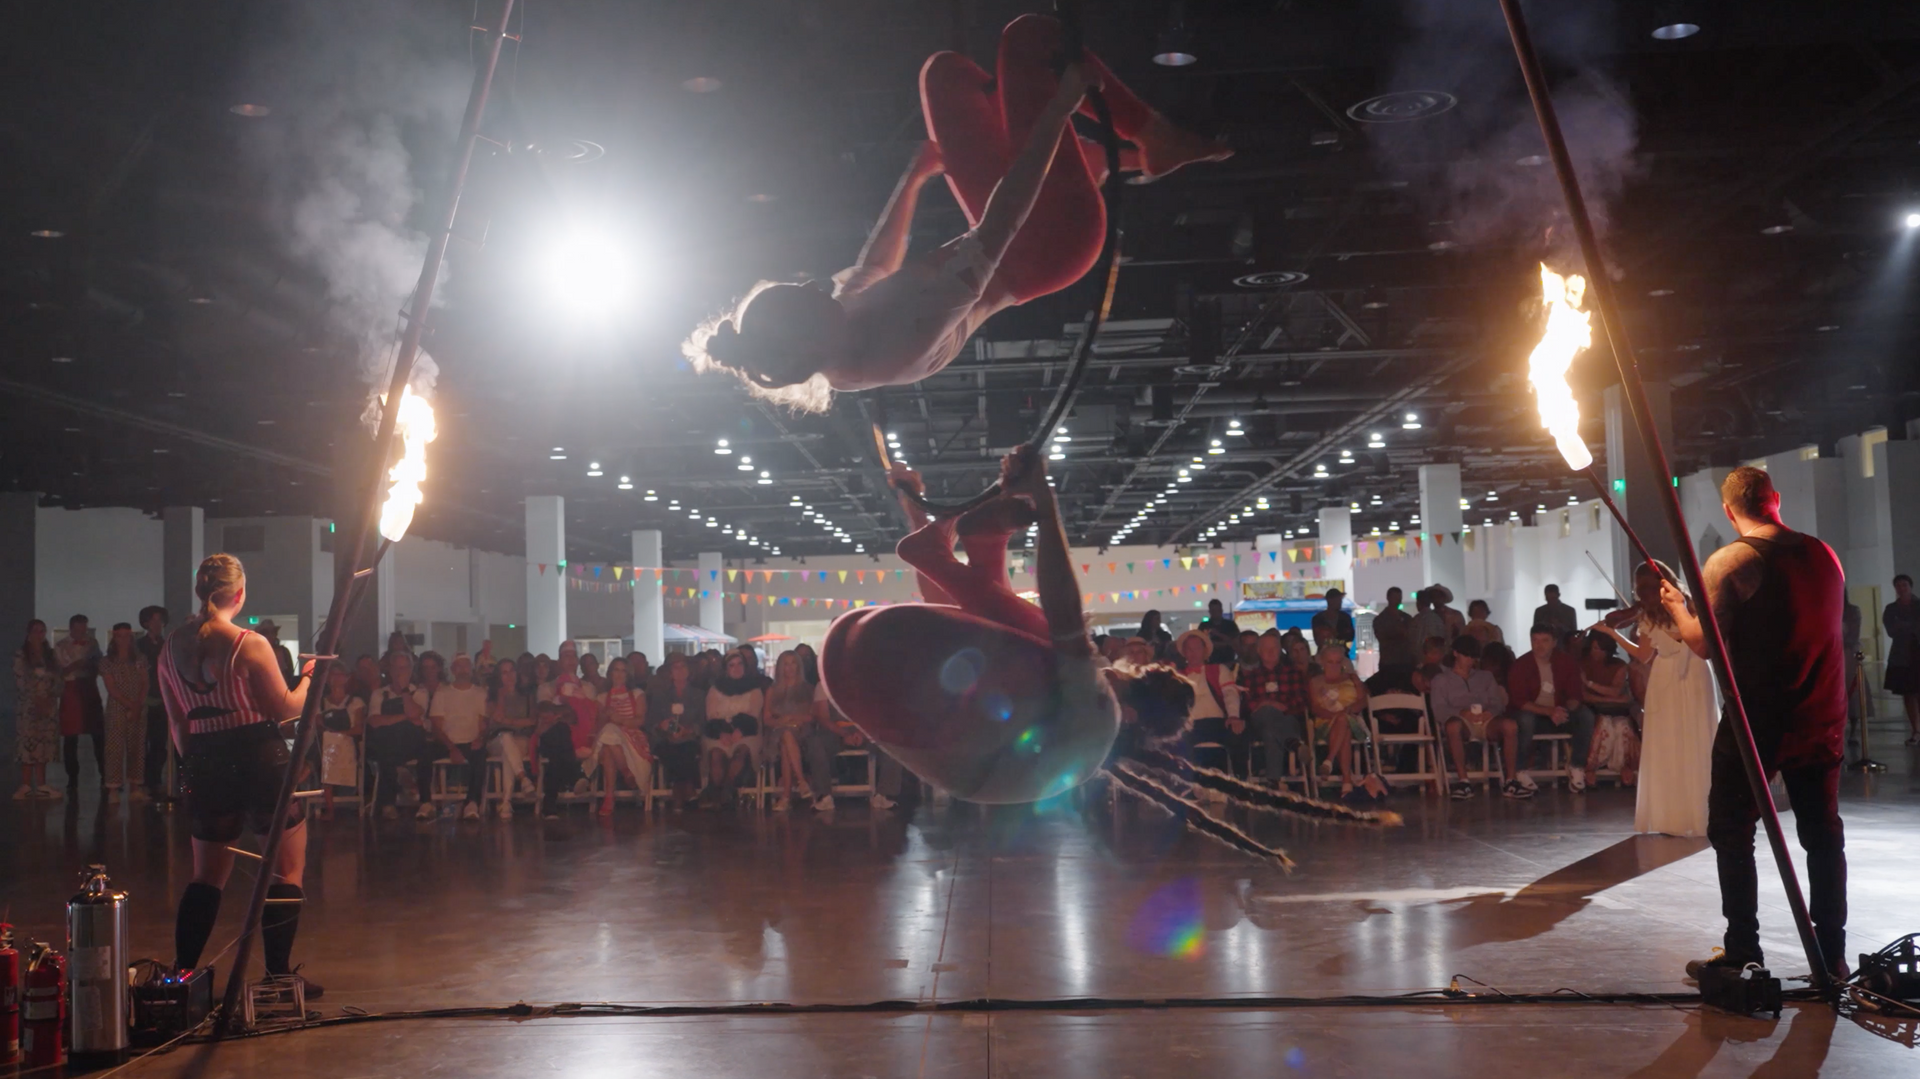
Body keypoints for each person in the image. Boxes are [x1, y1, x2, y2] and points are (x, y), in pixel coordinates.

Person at [684, 15, 1230, 410]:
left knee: (944, 74)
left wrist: (914, 178)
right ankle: (1152, 139)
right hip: (1047, 246)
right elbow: (1003, 222)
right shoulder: (899, 346)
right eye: (804, 298)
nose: (812, 285)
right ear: (808, 343)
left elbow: (872, 266)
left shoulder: (827, 331)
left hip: (1005, 229)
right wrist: (1060, 106)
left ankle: (1097, 162)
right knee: (1030, 42)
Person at [822, 448, 1177, 805]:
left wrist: (1045, 501)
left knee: (1067, 647)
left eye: (1124, 679)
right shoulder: (1074, 735)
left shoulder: (1100, 720)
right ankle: (979, 546)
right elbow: (949, 615)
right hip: (855, 671)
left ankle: (977, 547)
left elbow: (1063, 611)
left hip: (878, 673)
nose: (1111, 672)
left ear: (1130, 715)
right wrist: (917, 513)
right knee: (1061, 654)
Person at [1661, 467, 1848, 980]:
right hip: (1822, 714)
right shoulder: (1824, 554)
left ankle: (1743, 947)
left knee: (1732, 828)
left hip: (1758, 718)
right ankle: (1831, 954)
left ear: (1728, 511)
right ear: (1776, 499)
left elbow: (1703, 644)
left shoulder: (1735, 559)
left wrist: (1677, 607)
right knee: (1823, 835)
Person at [159, 554, 319, 996]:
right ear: (240, 593)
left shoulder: (171, 645)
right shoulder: (248, 643)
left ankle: (182, 976)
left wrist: (197, 763)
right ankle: (279, 976)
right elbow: (282, 708)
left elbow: (177, 722)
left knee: (206, 875)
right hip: (258, 757)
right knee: (287, 868)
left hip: (206, 760)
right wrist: (308, 679)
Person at [1592, 561, 1717, 835]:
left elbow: (1644, 655)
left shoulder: (1649, 615)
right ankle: (1703, 814)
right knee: (1697, 740)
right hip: (1697, 672)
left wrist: (1612, 633)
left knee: (1668, 743)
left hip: (1667, 676)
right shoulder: (1690, 604)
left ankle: (1672, 817)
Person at [1431, 637, 1522, 799]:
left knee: (1510, 725)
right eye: (1466, 656)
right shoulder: (1441, 680)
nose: (1470, 661)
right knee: (1452, 727)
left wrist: (1490, 712)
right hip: (1461, 722)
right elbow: (1439, 710)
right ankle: (1463, 781)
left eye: (1473, 657)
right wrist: (1462, 712)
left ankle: (1511, 780)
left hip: (1486, 720)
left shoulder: (1485, 677)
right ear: (1456, 654)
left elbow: (1497, 703)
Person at [1508, 624, 1595, 791]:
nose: (1539, 645)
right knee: (1524, 719)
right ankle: (1520, 769)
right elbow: (1519, 700)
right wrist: (1549, 711)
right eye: (1535, 640)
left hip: (1559, 712)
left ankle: (1577, 766)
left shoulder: (1566, 662)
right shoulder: (1521, 665)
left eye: (1545, 641)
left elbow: (1575, 694)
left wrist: (1565, 709)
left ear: (1554, 642)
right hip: (1534, 714)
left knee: (1585, 716)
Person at [365, 650, 436, 821]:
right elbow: (374, 721)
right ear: (390, 670)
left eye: (404, 668)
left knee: (425, 749)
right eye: (396, 668)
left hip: (413, 744)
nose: (400, 672)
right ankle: (391, 799)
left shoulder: (419, 692)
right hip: (387, 744)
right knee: (386, 743)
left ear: (411, 670)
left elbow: (416, 712)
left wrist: (404, 691)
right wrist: (405, 718)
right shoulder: (379, 693)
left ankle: (419, 800)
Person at [1240, 632, 1309, 786]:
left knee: (1269, 730)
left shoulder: (1293, 673)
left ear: (1280, 649)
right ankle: (1293, 744)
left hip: (1288, 718)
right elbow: (1247, 704)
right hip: (1259, 721)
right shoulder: (1250, 677)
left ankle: (1274, 781)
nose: (1271, 652)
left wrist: (1278, 706)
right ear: (1259, 651)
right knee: (1266, 713)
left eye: (1275, 648)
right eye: (1266, 648)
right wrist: (1270, 704)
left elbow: (1300, 701)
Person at [428, 653, 491, 821]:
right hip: (446, 742)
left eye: (466, 666)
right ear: (453, 670)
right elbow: (436, 726)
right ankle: (425, 802)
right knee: (424, 753)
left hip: (470, 742)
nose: (463, 670)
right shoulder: (442, 693)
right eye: (459, 666)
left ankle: (472, 802)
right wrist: (451, 748)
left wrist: (480, 738)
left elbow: (484, 724)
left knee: (480, 755)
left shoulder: (480, 693)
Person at [1175, 628, 1243, 775]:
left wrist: (1233, 716)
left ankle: (1241, 784)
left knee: (1238, 736)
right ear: (1184, 653)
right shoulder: (1177, 676)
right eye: (1189, 649)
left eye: (1197, 648)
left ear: (1205, 651)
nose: (1193, 653)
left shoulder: (1219, 669)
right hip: (1190, 725)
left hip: (1217, 722)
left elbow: (1230, 693)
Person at [1306, 643, 1371, 797]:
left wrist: (1350, 710)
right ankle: (1346, 781)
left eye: (1338, 661)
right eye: (1330, 661)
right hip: (1325, 723)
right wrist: (1335, 717)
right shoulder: (1315, 682)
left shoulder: (1353, 678)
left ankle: (1329, 760)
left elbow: (1363, 701)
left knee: (1344, 721)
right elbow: (1315, 707)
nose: (1334, 665)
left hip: (1352, 721)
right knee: (1343, 725)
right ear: (1322, 662)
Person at [702, 651, 765, 806]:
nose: (736, 668)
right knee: (716, 755)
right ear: (726, 669)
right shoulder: (715, 689)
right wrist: (722, 732)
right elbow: (711, 716)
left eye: (740, 664)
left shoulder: (755, 689)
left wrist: (739, 730)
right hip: (718, 732)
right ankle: (716, 791)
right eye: (732, 665)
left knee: (741, 752)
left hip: (746, 732)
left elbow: (753, 715)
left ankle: (727, 790)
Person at [592, 657, 652, 816]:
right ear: (610, 673)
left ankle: (609, 798)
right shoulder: (602, 698)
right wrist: (606, 716)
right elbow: (598, 726)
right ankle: (626, 772)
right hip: (610, 738)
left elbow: (640, 720)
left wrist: (621, 720)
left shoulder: (637, 694)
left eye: (623, 670)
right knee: (608, 736)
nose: (619, 674)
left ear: (628, 674)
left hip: (632, 736)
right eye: (616, 670)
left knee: (608, 740)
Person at [1579, 632, 1639, 787]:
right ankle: (1591, 766)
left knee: (1622, 726)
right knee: (1604, 725)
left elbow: (1616, 691)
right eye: (1594, 648)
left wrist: (1591, 684)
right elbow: (1584, 696)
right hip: (1593, 709)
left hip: (1618, 710)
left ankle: (1624, 765)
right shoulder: (1582, 664)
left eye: (1601, 649)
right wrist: (1609, 697)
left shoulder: (1619, 665)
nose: (1596, 652)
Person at [646, 655, 706, 810]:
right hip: (665, 739)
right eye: (675, 667)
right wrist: (661, 725)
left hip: (690, 739)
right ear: (669, 672)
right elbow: (650, 722)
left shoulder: (699, 695)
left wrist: (689, 730)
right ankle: (687, 788)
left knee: (686, 749)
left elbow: (703, 721)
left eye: (683, 666)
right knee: (671, 748)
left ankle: (677, 791)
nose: (680, 671)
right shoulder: (660, 695)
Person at [99, 623, 150, 802]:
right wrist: (128, 704)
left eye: (127, 635)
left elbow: (145, 682)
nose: (123, 640)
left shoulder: (140, 659)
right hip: (117, 708)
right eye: (119, 636)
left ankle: (135, 786)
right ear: (114, 637)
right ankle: (113, 787)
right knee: (114, 747)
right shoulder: (107, 662)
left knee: (136, 745)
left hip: (138, 706)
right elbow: (111, 687)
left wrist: (138, 704)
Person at [55, 614, 106, 795]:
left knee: (98, 734)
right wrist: (80, 664)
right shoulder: (61, 645)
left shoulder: (93, 643)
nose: (81, 632)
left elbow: (100, 665)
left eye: (83, 629)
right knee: (70, 737)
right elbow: (61, 670)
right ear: (71, 628)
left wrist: (88, 666)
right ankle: (72, 779)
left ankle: (105, 776)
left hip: (89, 688)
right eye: (78, 629)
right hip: (71, 690)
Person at [763, 651, 818, 811]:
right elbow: (766, 719)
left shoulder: (808, 689)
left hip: (803, 730)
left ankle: (786, 797)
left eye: (793, 663)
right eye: (786, 664)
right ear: (780, 667)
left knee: (786, 741)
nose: (790, 667)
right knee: (786, 736)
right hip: (779, 731)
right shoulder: (772, 691)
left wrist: (794, 718)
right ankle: (801, 782)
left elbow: (813, 716)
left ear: (798, 666)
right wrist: (781, 721)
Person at [13, 620, 61, 799]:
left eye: (42, 631)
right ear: (28, 633)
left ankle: (41, 784)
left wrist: (50, 697)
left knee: (44, 744)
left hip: (48, 707)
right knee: (28, 743)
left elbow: (58, 679)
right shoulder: (21, 655)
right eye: (35, 631)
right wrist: (36, 699)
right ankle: (25, 784)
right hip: (29, 708)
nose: (39, 634)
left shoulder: (51, 655)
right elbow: (21, 680)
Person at [485, 657, 537, 819]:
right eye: (504, 673)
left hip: (520, 740)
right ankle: (523, 779)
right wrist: (501, 695)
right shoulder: (493, 696)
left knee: (508, 751)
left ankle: (506, 801)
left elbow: (532, 720)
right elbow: (496, 719)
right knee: (505, 737)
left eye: (512, 671)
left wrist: (509, 722)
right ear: (499, 676)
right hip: (497, 740)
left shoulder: (527, 695)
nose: (509, 676)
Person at [312, 664, 364, 821]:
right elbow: (318, 725)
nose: (336, 677)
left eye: (340, 674)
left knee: (329, 749)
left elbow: (358, 728)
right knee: (326, 749)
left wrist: (339, 734)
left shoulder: (355, 702)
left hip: (347, 744)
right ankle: (329, 808)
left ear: (347, 678)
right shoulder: (320, 703)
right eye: (332, 674)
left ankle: (302, 775)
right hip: (326, 744)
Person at [136, 606, 172, 801]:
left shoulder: (167, 645)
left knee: (159, 743)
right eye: (153, 620)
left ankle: (155, 780)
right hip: (144, 699)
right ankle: (140, 781)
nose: (157, 624)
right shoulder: (138, 646)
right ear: (146, 622)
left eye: (160, 620)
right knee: (141, 742)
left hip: (163, 699)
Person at [1883, 573, 1919, 745]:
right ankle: (1916, 730)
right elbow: (1891, 630)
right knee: (1908, 693)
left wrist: (1904, 626)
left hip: (1917, 652)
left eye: (1904, 585)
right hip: (1902, 655)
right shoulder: (1891, 609)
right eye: (1898, 585)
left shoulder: (1918, 606)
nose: (1901, 588)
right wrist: (1909, 627)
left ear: (1910, 586)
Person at [1371, 587, 1415, 677]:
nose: (1398, 601)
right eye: (1395, 598)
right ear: (1388, 598)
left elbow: (1411, 637)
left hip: (1404, 661)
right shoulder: (1381, 619)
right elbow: (1382, 638)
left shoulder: (1406, 618)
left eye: (1399, 598)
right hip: (1389, 661)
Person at [1409, 589, 1445, 656]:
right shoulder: (1437, 619)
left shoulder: (1416, 620)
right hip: (1437, 655)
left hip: (1420, 658)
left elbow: (1412, 641)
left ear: (1418, 603)